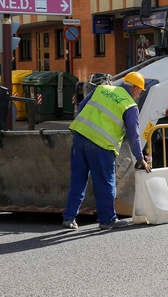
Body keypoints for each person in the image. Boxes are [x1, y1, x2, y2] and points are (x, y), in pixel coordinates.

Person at [62, 71, 151, 231]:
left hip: (80, 138)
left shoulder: (102, 89)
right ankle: (107, 220)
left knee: (78, 180)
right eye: (140, 91)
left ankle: (69, 217)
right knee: (105, 183)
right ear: (136, 88)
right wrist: (140, 158)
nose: (139, 95)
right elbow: (133, 136)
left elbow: (82, 107)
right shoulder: (129, 106)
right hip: (101, 146)